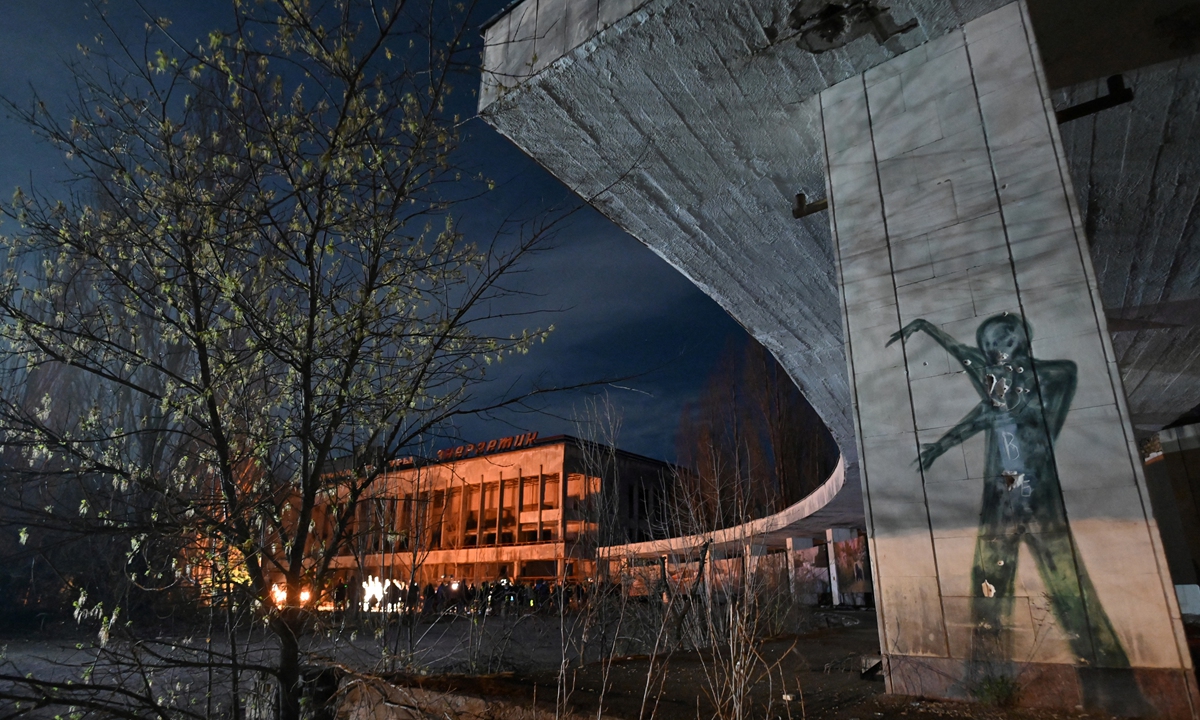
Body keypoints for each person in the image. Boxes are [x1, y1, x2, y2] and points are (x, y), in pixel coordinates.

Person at [890, 313, 1147, 711]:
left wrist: (1012, 388)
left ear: (1017, 343)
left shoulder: (1050, 378)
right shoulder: (998, 388)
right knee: (988, 585)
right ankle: (984, 676)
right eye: (988, 346)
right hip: (1002, 497)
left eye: (998, 344)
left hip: (1038, 497)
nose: (991, 353)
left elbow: (1025, 399)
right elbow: (971, 377)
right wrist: (925, 327)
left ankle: (1113, 687)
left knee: (1070, 590)